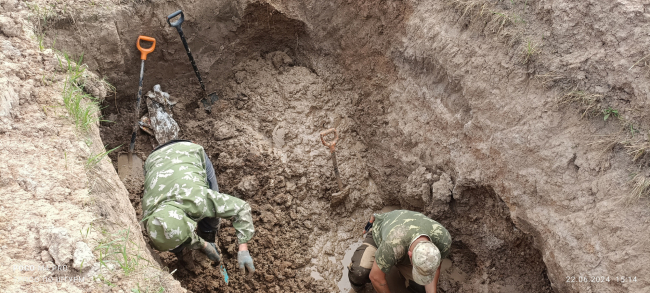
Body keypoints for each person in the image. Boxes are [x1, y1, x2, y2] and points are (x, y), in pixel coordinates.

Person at [141, 140, 255, 277]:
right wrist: (202, 245)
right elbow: (170, 230)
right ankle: (183, 250)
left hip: (189, 151)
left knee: (211, 216)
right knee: (171, 237)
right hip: (154, 160)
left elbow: (241, 208)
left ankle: (207, 233)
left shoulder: (199, 199)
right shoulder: (149, 217)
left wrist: (243, 248)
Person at [348, 210, 452, 293]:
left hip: (403, 239)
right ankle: (358, 288)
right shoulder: (392, 244)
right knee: (359, 273)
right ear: (410, 255)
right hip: (381, 235)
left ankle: (396, 265)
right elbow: (375, 277)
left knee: (420, 289)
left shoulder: (443, 240)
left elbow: (435, 268)